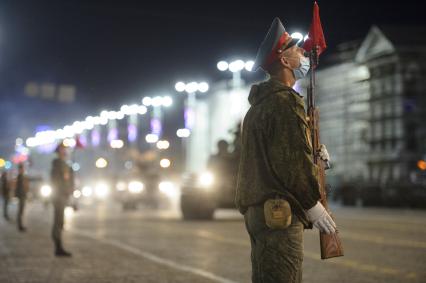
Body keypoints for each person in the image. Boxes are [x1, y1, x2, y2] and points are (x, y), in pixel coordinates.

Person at [235, 18, 336, 283]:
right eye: (296, 49)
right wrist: (312, 204)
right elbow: (289, 163)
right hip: (279, 212)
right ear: (283, 60)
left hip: (261, 212)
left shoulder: (260, 106)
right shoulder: (285, 103)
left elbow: (276, 154)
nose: (303, 53)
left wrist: (312, 150)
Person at [50, 143, 74, 257]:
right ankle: (58, 247)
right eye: (63, 149)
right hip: (59, 196)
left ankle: (59, 246)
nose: (65, 151)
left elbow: (68, 179)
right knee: (58, 222)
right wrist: (64, 190)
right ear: (59, 151)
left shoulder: (64, 164)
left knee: (60, 222)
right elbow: (57, 182)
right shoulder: (58, 164)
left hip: (63, 196)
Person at [15, 163, 29, 232]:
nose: (23, 170)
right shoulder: (20, 176)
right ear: (20, 169)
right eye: (22, 168)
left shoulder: (22, 176)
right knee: (20, 211)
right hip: (21, 196)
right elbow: (19, 187)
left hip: (22, 195)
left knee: (21, 211)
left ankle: (20, 225)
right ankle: (20, 226)